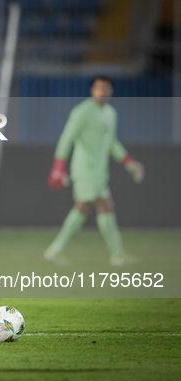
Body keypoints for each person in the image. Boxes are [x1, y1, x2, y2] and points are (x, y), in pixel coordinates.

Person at [44, 75, 144, 266]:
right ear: (92, 90)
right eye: (98, 87)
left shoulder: (110, 113)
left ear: (111, 91)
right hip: (85, 169)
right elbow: (67, 138)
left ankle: (56, 249)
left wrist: (128, 161)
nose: (102, 91)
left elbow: (111, 142)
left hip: (100, 171)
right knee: (101, 205)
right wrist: (58, 166)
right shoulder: (82, 112)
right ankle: (116, 253)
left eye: (105, 88)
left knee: (86, 208)